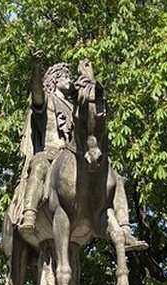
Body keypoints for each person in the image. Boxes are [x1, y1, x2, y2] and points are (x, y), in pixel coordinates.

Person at [16, 55, 147, 252]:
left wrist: (89, 77)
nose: (69, 80)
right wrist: (36, 69)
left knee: (115, 177)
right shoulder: (47, 100)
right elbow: (36, 95)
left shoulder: (76, 105)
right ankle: (30, 213)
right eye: (65, 76)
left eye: (69, 76)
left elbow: (93, 109)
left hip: (76, 153)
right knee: (39, 165)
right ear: (54, 80)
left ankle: (125, 229)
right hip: (52, 153)